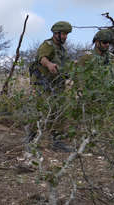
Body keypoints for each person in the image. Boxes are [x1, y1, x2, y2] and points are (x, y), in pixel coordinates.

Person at [28, 21, 73, 152]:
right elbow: (42, 57)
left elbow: (67, 65)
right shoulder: (47, 45)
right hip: (44, 85)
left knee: (59, 112)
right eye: (63, 34)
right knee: (40, 112)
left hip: (58, 86)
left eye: (66, 34)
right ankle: (30, 140)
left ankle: (57, 142)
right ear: (55, 33)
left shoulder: (62, 50)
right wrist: (49, 65)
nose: (65, 37)